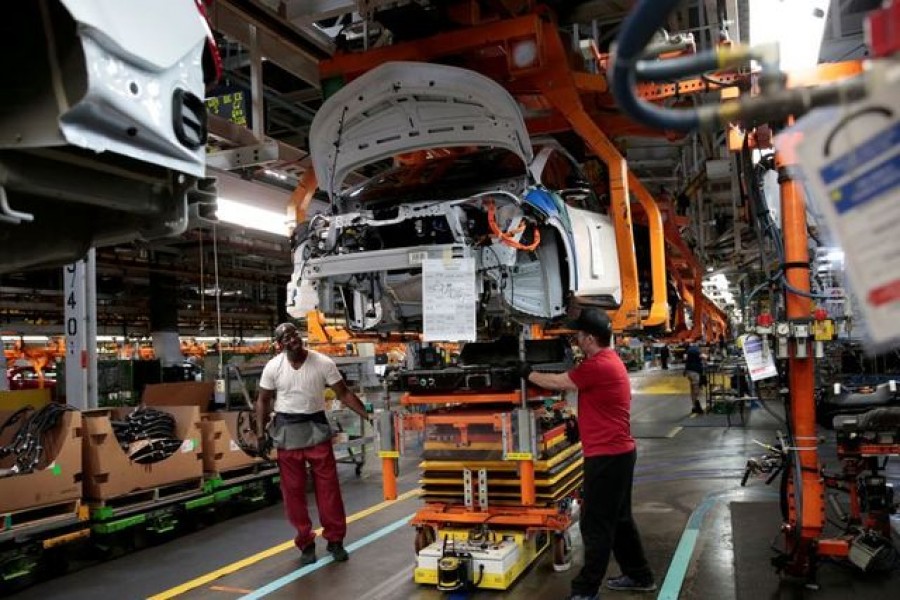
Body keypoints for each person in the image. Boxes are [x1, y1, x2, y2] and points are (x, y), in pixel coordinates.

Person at [520, 308, 655, 600]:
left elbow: (560, 383)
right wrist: (581, 424)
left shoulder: (598, 365)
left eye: (578, 335)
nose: (576, 340)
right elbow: (601, 404)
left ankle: (586, 590)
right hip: (618, 453)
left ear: (590, 337)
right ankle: (639, 575)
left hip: (607, 457)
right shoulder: (609, 360)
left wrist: (526, 372)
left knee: (596, 524)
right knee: (619, 520)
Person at [255, 322, 370, 565]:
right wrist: (260, 434)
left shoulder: (323, 363)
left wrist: (368, 416)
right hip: (287, 431)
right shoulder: (273, 367)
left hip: (316, 429)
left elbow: (343, 393)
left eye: (295, 335)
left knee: (328, 490)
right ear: (279, 345)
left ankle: (335, 540)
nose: (292, 340)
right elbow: (263, 400)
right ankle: (305, 542)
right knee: (294, 493)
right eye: (286, 338)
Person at [683, 343, 705, 414]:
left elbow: (685, 357)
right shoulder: (697, 351)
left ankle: (694, 406)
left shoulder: (688, 351)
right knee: (697, 388)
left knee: (692, 389)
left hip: (689, 372)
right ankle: (697, 403)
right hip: (695, 372)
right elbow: (705, 357)